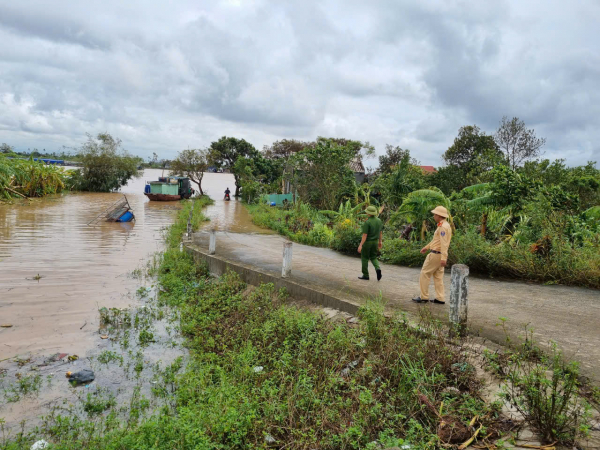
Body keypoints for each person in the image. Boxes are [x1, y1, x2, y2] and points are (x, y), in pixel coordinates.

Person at [412, 206, 452, 304]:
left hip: (436, 255)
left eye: (435, 214)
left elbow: (444, 243)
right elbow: (436, 241)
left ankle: (424, 297)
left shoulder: (442, 227)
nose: (433, 216)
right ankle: (440, 298)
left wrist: (444, 257)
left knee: (425, 273)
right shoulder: (445, 225)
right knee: (438, 276)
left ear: (439, 215)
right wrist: (427, 247)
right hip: (439, 254)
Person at [357, 205, 383, 281]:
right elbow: (380, 232)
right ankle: (378, 269)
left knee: (364, 258)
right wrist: (380, 242)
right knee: (373, 257)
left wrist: (360, 245)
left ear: (368, 213)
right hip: (375, 242)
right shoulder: (379, 221)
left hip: (367, 242)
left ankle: (365, 275)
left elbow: (365, 235)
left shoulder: (367, 222)